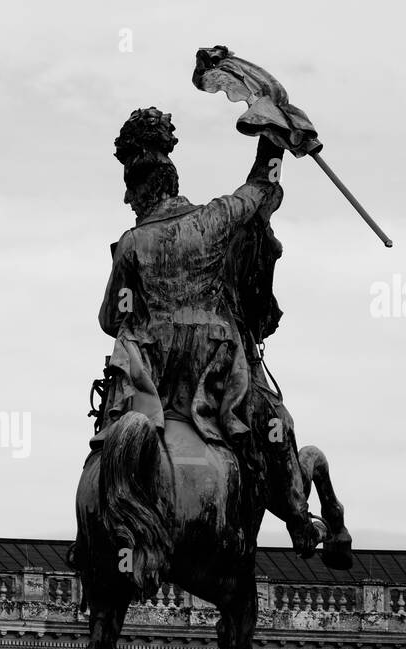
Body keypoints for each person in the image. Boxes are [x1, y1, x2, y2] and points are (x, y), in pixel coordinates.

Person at [92, 107, 319, 557]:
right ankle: (298, 515)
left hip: (153, 374)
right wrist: (272, 140)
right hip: (213, 368)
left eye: (129, 191)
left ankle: (93, 539)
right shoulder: (214, 221)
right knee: (273, 420)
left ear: (143, 190)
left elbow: (109, 320)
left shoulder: (133, 244)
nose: (127, 202)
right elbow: (259, 188)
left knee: (111, 438)